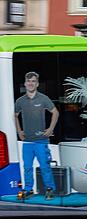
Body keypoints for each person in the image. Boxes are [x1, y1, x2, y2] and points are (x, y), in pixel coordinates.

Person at [15, 72, 59, 200]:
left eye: (33, 81)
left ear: (37, 84)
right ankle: (28, 190)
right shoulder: (20, 101)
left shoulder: (43, 99)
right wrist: (19, 131)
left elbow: (55, 113)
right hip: (27, 142)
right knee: (27, 167)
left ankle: (50, 189)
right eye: (28, 81)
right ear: (25, 83)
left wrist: (50, 129)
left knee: (45, 166)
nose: (30, 83)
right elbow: (15, 115)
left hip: (41, 140)